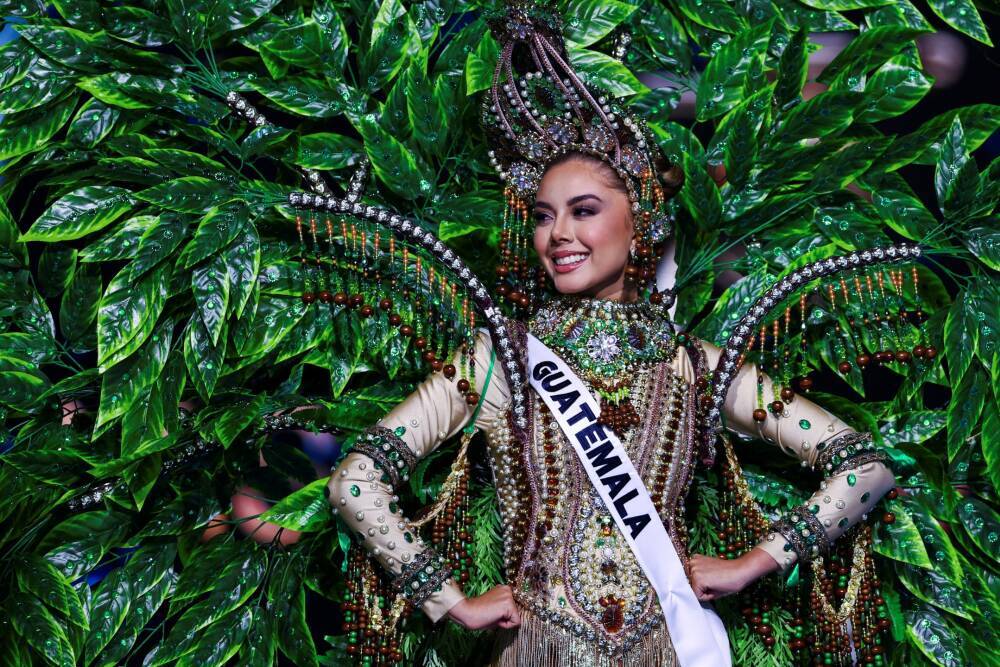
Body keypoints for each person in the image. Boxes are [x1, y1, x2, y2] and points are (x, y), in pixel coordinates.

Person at [327, 5, 896, 665]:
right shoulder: (499, 360)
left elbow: (866, 465)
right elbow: (356, 480)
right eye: (543, 217)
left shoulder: (693, 365)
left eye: (584, 211)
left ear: (642, 222)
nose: (558, 235)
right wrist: (450, 599)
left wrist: (755, 562)